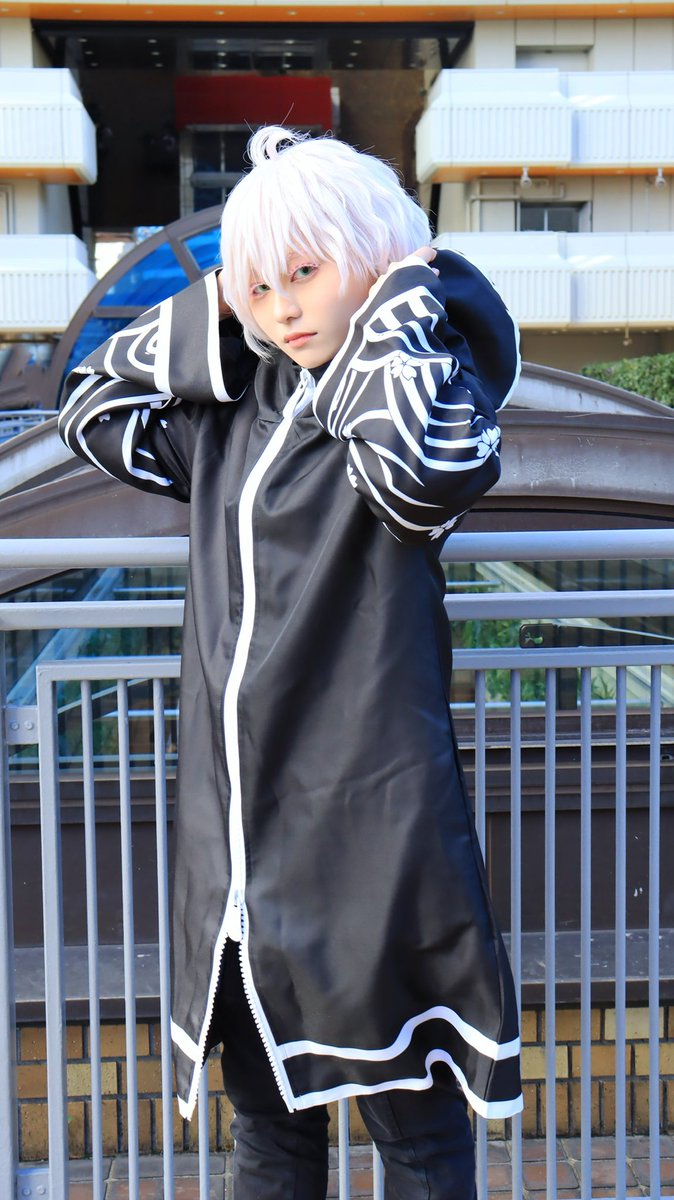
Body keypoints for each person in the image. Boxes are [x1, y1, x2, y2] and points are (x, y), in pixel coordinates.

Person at [59, 125, 523, 1199]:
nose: (283, 311)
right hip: (235, 851)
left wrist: (405, 296)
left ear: (377, 254)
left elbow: (418, 478)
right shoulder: (236, 412)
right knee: (267, 1140)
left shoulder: (421, 388)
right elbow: (90, 405)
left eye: (305, 273)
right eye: (261, 288)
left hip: (369, 832)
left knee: (416, 1137)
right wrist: (220, 308)